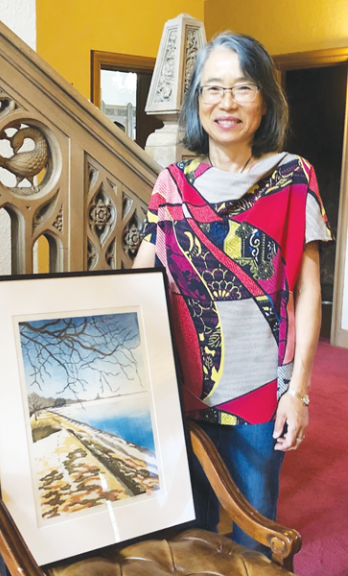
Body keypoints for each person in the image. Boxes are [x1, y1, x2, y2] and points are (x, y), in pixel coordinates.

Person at [133, 32, 332, 555]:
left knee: (253, 530)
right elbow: (138, 280)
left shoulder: (293, 176)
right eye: (213, 88)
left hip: (260, 393)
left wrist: (300, 391)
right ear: (198, 100)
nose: (226, 103)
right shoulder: (170, 183)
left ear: (264, 99)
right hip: (180, 387)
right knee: (183, 532)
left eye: (242, 88)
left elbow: (308, 292)